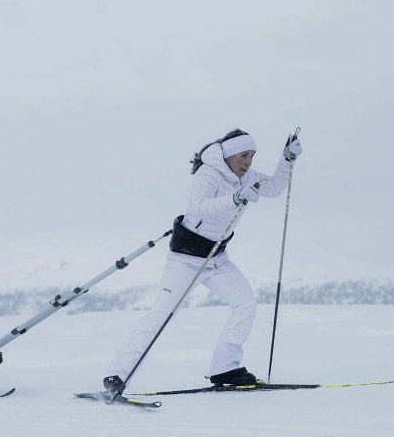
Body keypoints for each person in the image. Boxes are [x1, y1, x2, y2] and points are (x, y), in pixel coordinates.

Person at [103, 128, 302, 397]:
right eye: (244, 155)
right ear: (230, 154)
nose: (248, 162)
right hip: (185, 259)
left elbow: (276, 188)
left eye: (252, 156)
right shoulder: (207, 174)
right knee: (161, 315)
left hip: (217, 259)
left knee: (245, 304)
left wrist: (286, 159)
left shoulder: (249, 177)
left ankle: (225, 369)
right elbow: (200, 207)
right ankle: (117, 375)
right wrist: (235, 198)